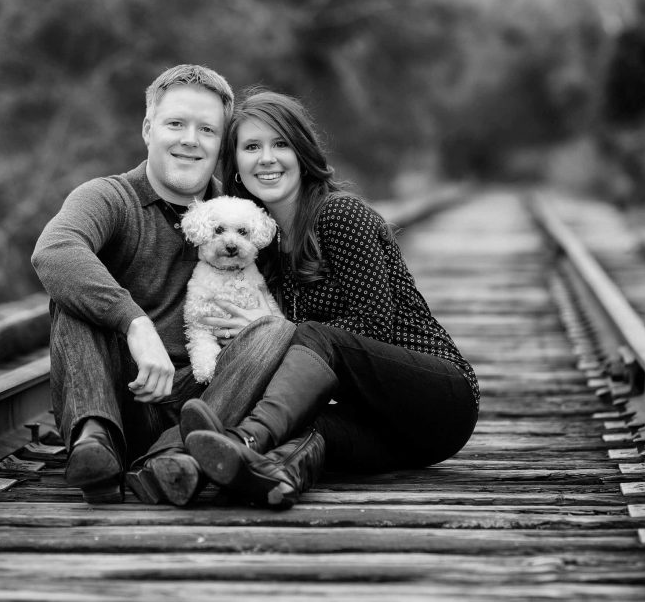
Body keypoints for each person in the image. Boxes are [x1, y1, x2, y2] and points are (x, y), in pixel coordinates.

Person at [180, 89, 480, 509]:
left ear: (302, 152)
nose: (267, 158)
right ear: (236, 166)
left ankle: (243, 438)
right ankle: (264, 475)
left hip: (436, 400)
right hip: (384, 430)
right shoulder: (258, 250)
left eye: (280, 143)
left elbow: (375, 326)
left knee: (313, 337)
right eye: (251, 147)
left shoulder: (339, 216)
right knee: (300, 428)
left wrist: (278, 332)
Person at [31, 65, 294, 506]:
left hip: (205, 402)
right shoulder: (109, 197)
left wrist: (257, 324)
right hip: (124, 398)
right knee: (73, 295)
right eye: (176, 123)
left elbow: (289, 294)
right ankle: (95, 445)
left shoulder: (240, 215)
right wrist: (134, 322)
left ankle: (173, 454)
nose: (190, 139)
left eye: (207, 129)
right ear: (148, 129)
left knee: (278, 330)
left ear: (220, 144)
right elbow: (53, 250)